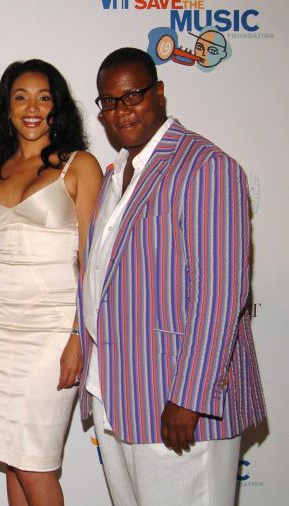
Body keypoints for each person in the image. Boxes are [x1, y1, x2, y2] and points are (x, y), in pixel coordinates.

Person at [79, 47, 266, 505]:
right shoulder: (117, 173)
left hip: (174, 398)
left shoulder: (206, 166)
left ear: (159, 93)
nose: (122, 110)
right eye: (109, 101)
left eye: (133, 95)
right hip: (115, 390)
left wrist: (190, 397)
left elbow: (220, 293)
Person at [0, 59, 103, 506]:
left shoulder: (80, 165)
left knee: (35, 464)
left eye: (43, 97)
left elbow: (93, 261)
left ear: (57, 106)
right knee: (13, 459)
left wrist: (78, 334)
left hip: (54, 329)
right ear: (6, 108)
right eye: (21, 97)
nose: (32, 108)